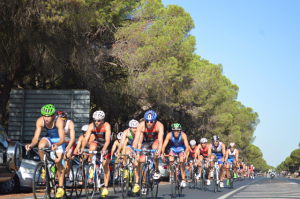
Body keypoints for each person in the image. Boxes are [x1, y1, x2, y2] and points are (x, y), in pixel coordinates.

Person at [25, 104, 66, 198]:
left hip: (59, 141)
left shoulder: (59, 121)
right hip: (49, 139)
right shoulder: (40, 121)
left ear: (53, 115)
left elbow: (63, 139)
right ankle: (44, 165)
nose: (46, 118)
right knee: (41, 146)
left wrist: (57, 145)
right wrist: (31, 145)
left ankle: (60, 187)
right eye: (44, 115)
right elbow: (36, 137)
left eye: (48, 116)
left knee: (58, 161)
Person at [132, 110, 164, 194]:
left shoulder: (159, 126)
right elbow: (136, 140)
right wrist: (133, 150)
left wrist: (159, 152)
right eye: (147, 121)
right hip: (146, 142)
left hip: (155, 141)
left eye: (151, 121)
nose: (149, 123)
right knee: (142, 162)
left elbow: (160, 141)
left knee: (155, 149)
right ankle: (144, 185)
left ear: (155, 121)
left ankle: (156, 170)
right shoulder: (141, 125)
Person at [81, 110, 112, 197]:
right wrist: (82, 148)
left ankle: (105, 187)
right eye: (95, 120)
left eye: (98, 120)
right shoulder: (91, 126)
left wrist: (104, 149)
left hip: (106, 144)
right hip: (98, 142)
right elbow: (86, 138)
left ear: (103, 120)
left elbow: (108, 140)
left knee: (105, 164)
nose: (96, 122)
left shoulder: (106, 125)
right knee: (92, 147)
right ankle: (92, 165)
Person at [116, 119, 142, 193]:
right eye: (133, 128)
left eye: (136, 127)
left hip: (137, 147)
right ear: (130, 128)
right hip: (130, 146)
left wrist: (137, 154)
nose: (135, 129)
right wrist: (118, 151)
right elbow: (121, 143)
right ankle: (126, 166)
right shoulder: (126, 132)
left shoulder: (140, 132)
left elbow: (139, 144)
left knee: (137, 164)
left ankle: (137, 183)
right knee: (127, 152)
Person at [161, 123, 190, 188]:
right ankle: (172, 173)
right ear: (172, 131)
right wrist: (162, 152)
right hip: (173, 148)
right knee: (170, 159)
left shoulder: (183, 135)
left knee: (181, 161)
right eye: (174, 131)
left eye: (177, 131)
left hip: (181, 148)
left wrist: (185, 153)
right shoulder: (169, 135)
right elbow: (164, 145)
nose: (176, 132)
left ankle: (183, 180)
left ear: (180, 131)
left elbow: (187, 147)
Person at [57, 111, 76, 186]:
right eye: (60, 120)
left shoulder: (70, 124)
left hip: (70, 142)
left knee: (66, 157)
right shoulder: (57, 123)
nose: (62, 122)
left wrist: (68, 148)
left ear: (66, 119)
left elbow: (73, 138)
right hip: (62, 142)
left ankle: (67, 177)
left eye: (63, 120)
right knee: (58, 158)